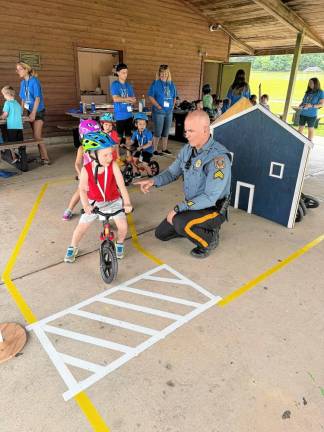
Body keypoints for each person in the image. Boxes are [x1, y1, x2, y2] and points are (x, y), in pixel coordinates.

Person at [135, 110, 231, 258]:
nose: (186, 135)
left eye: (191, 131)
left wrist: (179, 208)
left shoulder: (218, 158)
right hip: (193, 205)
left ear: (205, 130)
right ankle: (189, 225)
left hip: (212, 209)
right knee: (161, 234)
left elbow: (209, 198)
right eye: (186, 131)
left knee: (180, 222)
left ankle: (211, 239)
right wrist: (153, 180)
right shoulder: (188, 149)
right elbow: (172, 173)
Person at [64, 131, 132, 263]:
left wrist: (127, 203)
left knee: (123, 226)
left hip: (114, 201)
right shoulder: (86, 169)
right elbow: (82, 189)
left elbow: (121, 186)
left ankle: (120, 243)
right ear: (92, 154)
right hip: (94, 203)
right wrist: (86, 206)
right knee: (81, 227)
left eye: (110, 154)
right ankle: (73, 246)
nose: (109, 158)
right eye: (105, 155)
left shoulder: (113, 165)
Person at [62, 119, 101, 221]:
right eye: (91, 135)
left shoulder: (101, 147)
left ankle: (118, 205)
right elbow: (77, 163)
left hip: (99, 173)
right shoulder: (82, 149)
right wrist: (80, 174)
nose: (94, 138)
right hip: (87, 174)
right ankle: (69, 210)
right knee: (80, 191)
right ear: (83, 136)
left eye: (96, 134)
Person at [16, 61, 50, 164]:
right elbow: (22, 99)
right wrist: (21, 112)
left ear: (26, 69)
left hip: (38, 111)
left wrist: (33, 113)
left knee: (37, 136)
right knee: (36, 136)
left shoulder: (34, 81)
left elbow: (37, 99)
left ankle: (46, 158)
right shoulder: (23, 83)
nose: (18, 71)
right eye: (17, 69)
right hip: (29, 110)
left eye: (20, 69)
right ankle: (42, 157)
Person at [148, 64, 177, 155]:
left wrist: (173, 105)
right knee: (158, 131)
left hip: (169, 112)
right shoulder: (155, 83)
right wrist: (158, 106)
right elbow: (151, 97)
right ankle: (154, 149)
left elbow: (174, 96)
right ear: (159, 73)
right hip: (159, 111)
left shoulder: (171, 84)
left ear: (168, 73)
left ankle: (164, 149)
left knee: (166, 131)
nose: (164, 75)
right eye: (162, 73)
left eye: (166, 73)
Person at [110, 63, 136, 148]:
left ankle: (128, 156)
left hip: (129, 115)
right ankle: (116, 155)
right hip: (120, 115)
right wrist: (127, 99)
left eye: (126, 72)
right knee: (119, 137)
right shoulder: (115, 84)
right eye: (123, 72)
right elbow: (115, 98)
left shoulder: (128, 85)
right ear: (118, 73)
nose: (125, 74)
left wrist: (133, 101)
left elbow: (133, 99)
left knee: (128, 136)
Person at [0, 85, 26, 168]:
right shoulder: (17, 103)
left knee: (9, 142)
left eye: (3, 95)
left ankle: (14, 157)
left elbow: (5, 115)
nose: (3, 97)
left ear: (7, 94)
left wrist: (1, 117)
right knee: (20, 142)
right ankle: (22, 157)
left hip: (12, 127)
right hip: (19, 127)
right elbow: (21, 113)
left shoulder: (7, 103)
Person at [298, 77, 324, 142]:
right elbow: (303, 101)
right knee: (300, 128)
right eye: (309, 83)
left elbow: (321, 104)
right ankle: (298, 141)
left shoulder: (320, 92)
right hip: (303, 113)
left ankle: (309, 143)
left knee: (310, 128)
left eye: (311, 83)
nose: (309, 84)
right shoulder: (308, 92)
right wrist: (300, 105)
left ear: (316, 83)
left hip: (311, 115)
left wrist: (312, 105)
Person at [130, 112, 154, 177]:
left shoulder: (148, 133)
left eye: (144, 124)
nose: (142, 126)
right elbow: (131, 142)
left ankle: (151, 175)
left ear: (146, 124)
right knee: (133, 160)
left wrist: (141, 147)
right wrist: (126, 145)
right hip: (140, 149)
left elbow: (149, 143)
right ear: (136, 124)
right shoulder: (135, 133)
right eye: (140, 124)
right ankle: (137, 172)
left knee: (144, 164)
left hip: (148, 151)